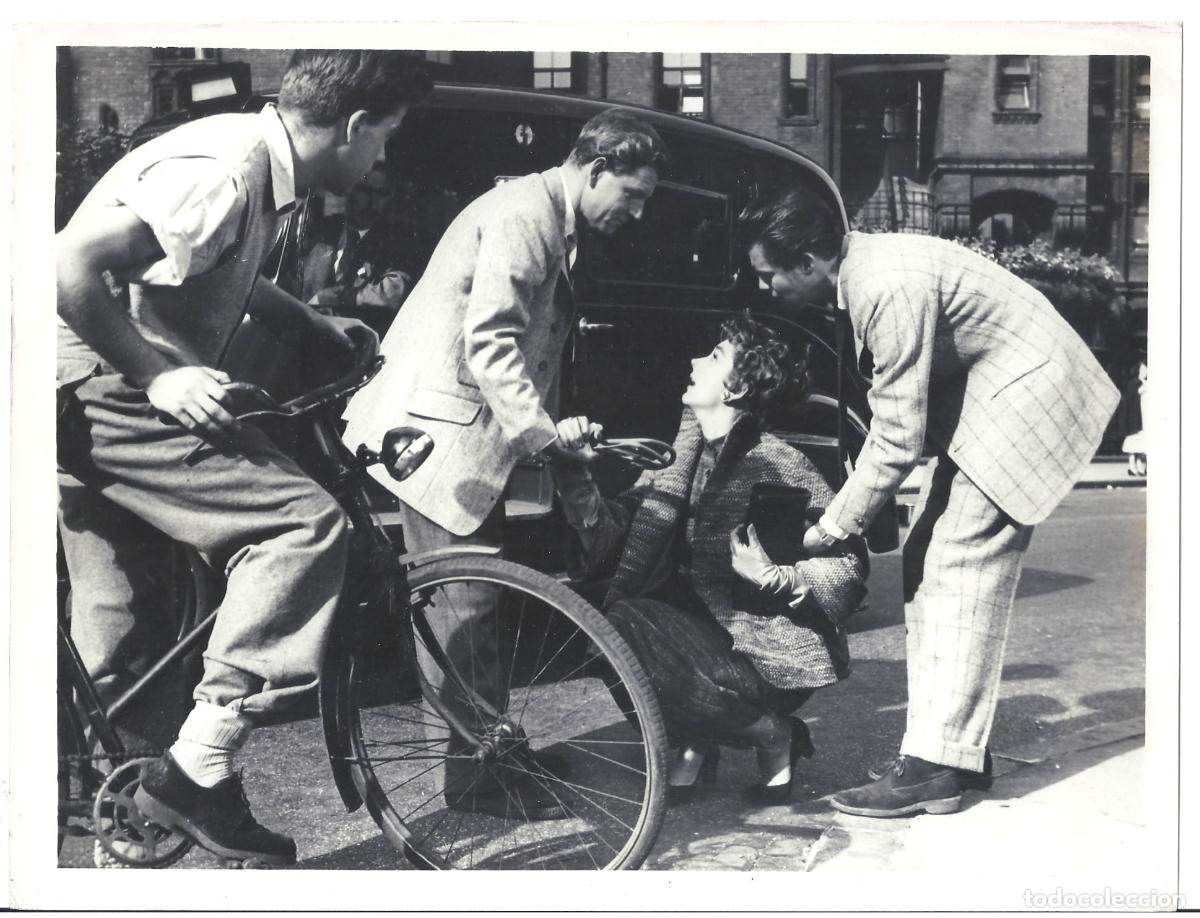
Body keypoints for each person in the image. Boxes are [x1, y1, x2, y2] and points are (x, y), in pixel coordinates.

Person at [55, 49, 432, 865]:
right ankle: (201, 765)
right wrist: (157, 378)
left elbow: (204, 263)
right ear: (357, 124)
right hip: (92, 387)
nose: (382, 160)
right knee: (303, 526)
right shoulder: (228, 171)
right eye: (387, 138)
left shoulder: (254, 166)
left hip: (66, 394)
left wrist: (309, 324)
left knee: (127, 627)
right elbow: (69, 266)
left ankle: (134, 823)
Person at [738, 186, 1120, 818]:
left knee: (956, 564)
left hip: (1026, 398)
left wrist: (829, 531)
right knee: (929, 558)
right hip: (996, 400)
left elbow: (895, 438)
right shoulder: (865, 273)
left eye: (768, 273)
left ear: (807, 262)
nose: (763, 286)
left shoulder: (884, 287)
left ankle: (936, 766)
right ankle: (951, 756)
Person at [341, 107, 668, 819]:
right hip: (435, 439)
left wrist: (549, 435)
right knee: (465, 605)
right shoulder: (527, 215)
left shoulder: (547, 213)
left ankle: (489, 754)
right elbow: (492, 343)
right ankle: (475, 779)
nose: (638, 214)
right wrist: (546, 441)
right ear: (596, 168)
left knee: (473, 603)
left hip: (455, 431)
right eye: (633, 195)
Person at [550, 317, 868, 805]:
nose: (696, 362)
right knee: (605, 622)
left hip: (768, 658)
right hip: (712, 646)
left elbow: (847, 563)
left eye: (715, 356)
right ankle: (696, 739)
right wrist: (575, 469)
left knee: (628, 620)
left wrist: (779, 577)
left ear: (737, 388)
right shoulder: (680, 460)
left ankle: (770, 732)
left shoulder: (775, 462)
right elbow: (616, 541)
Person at [300, 161, 415, 322]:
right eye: (364, 190)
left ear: (391, 198)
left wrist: (334, 297)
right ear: (349, 192)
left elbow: (396, 290)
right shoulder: (323, 232)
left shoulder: (396, 242)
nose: (372, 202)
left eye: (381, 193)